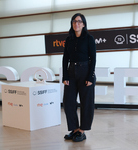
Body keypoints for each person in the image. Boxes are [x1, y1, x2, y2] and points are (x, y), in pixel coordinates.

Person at [62, 13, 96, 142]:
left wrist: (90, 77)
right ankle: (74, 129)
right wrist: (65, 75)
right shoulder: (69, 39)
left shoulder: (89, 38)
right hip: (71, 72)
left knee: (86, 103)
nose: (76, 24)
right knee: (68, 101)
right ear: (72, 24)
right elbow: (65, 58)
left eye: (79, 21)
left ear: (83, 24)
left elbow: (93, 59)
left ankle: (82, 131)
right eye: (74, 21)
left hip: (85, 71)